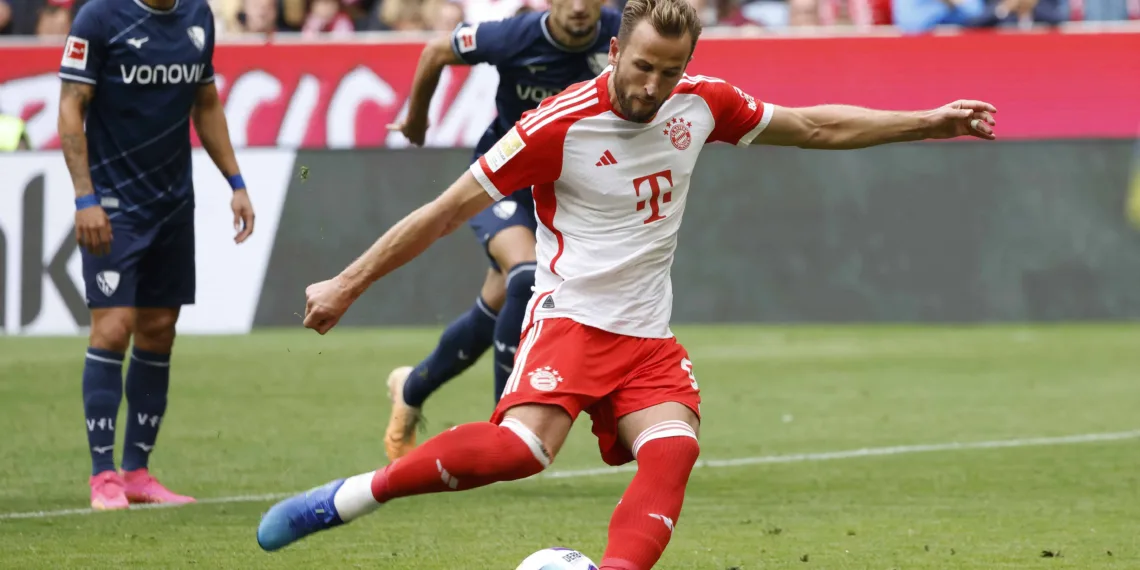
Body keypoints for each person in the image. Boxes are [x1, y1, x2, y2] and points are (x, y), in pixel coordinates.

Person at [256, 0, 996, 564]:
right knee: (521, 453)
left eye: (670, 72)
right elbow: (445, 212)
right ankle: (351, 497)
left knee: (673, 450)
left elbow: (814, 127)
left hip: (645, 333)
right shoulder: (555, 125)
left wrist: (931, 122)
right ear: (615, 51)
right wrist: (347, 283)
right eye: (642, 67)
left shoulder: (702, 103)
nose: (652, 86)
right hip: (572, 319)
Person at [382, 0, 620, 462]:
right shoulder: (513, 37)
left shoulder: (622, 36)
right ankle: (505, 426)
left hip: (565, 193)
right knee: (525, 275)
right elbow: (435, 52)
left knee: (494, 309)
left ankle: (410, 388)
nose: (577, 7)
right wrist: (416, 117)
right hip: (500, 180)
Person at [58, 0, 255, 511]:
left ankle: (137, 472)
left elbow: (205, 103)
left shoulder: (198, 15)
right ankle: (103, 476)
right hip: (112, 204)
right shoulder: (99, 18)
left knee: (159, 329)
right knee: (112, 327)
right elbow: (71, 105)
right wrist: (84, 197)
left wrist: (235, 182)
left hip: (172, 203)